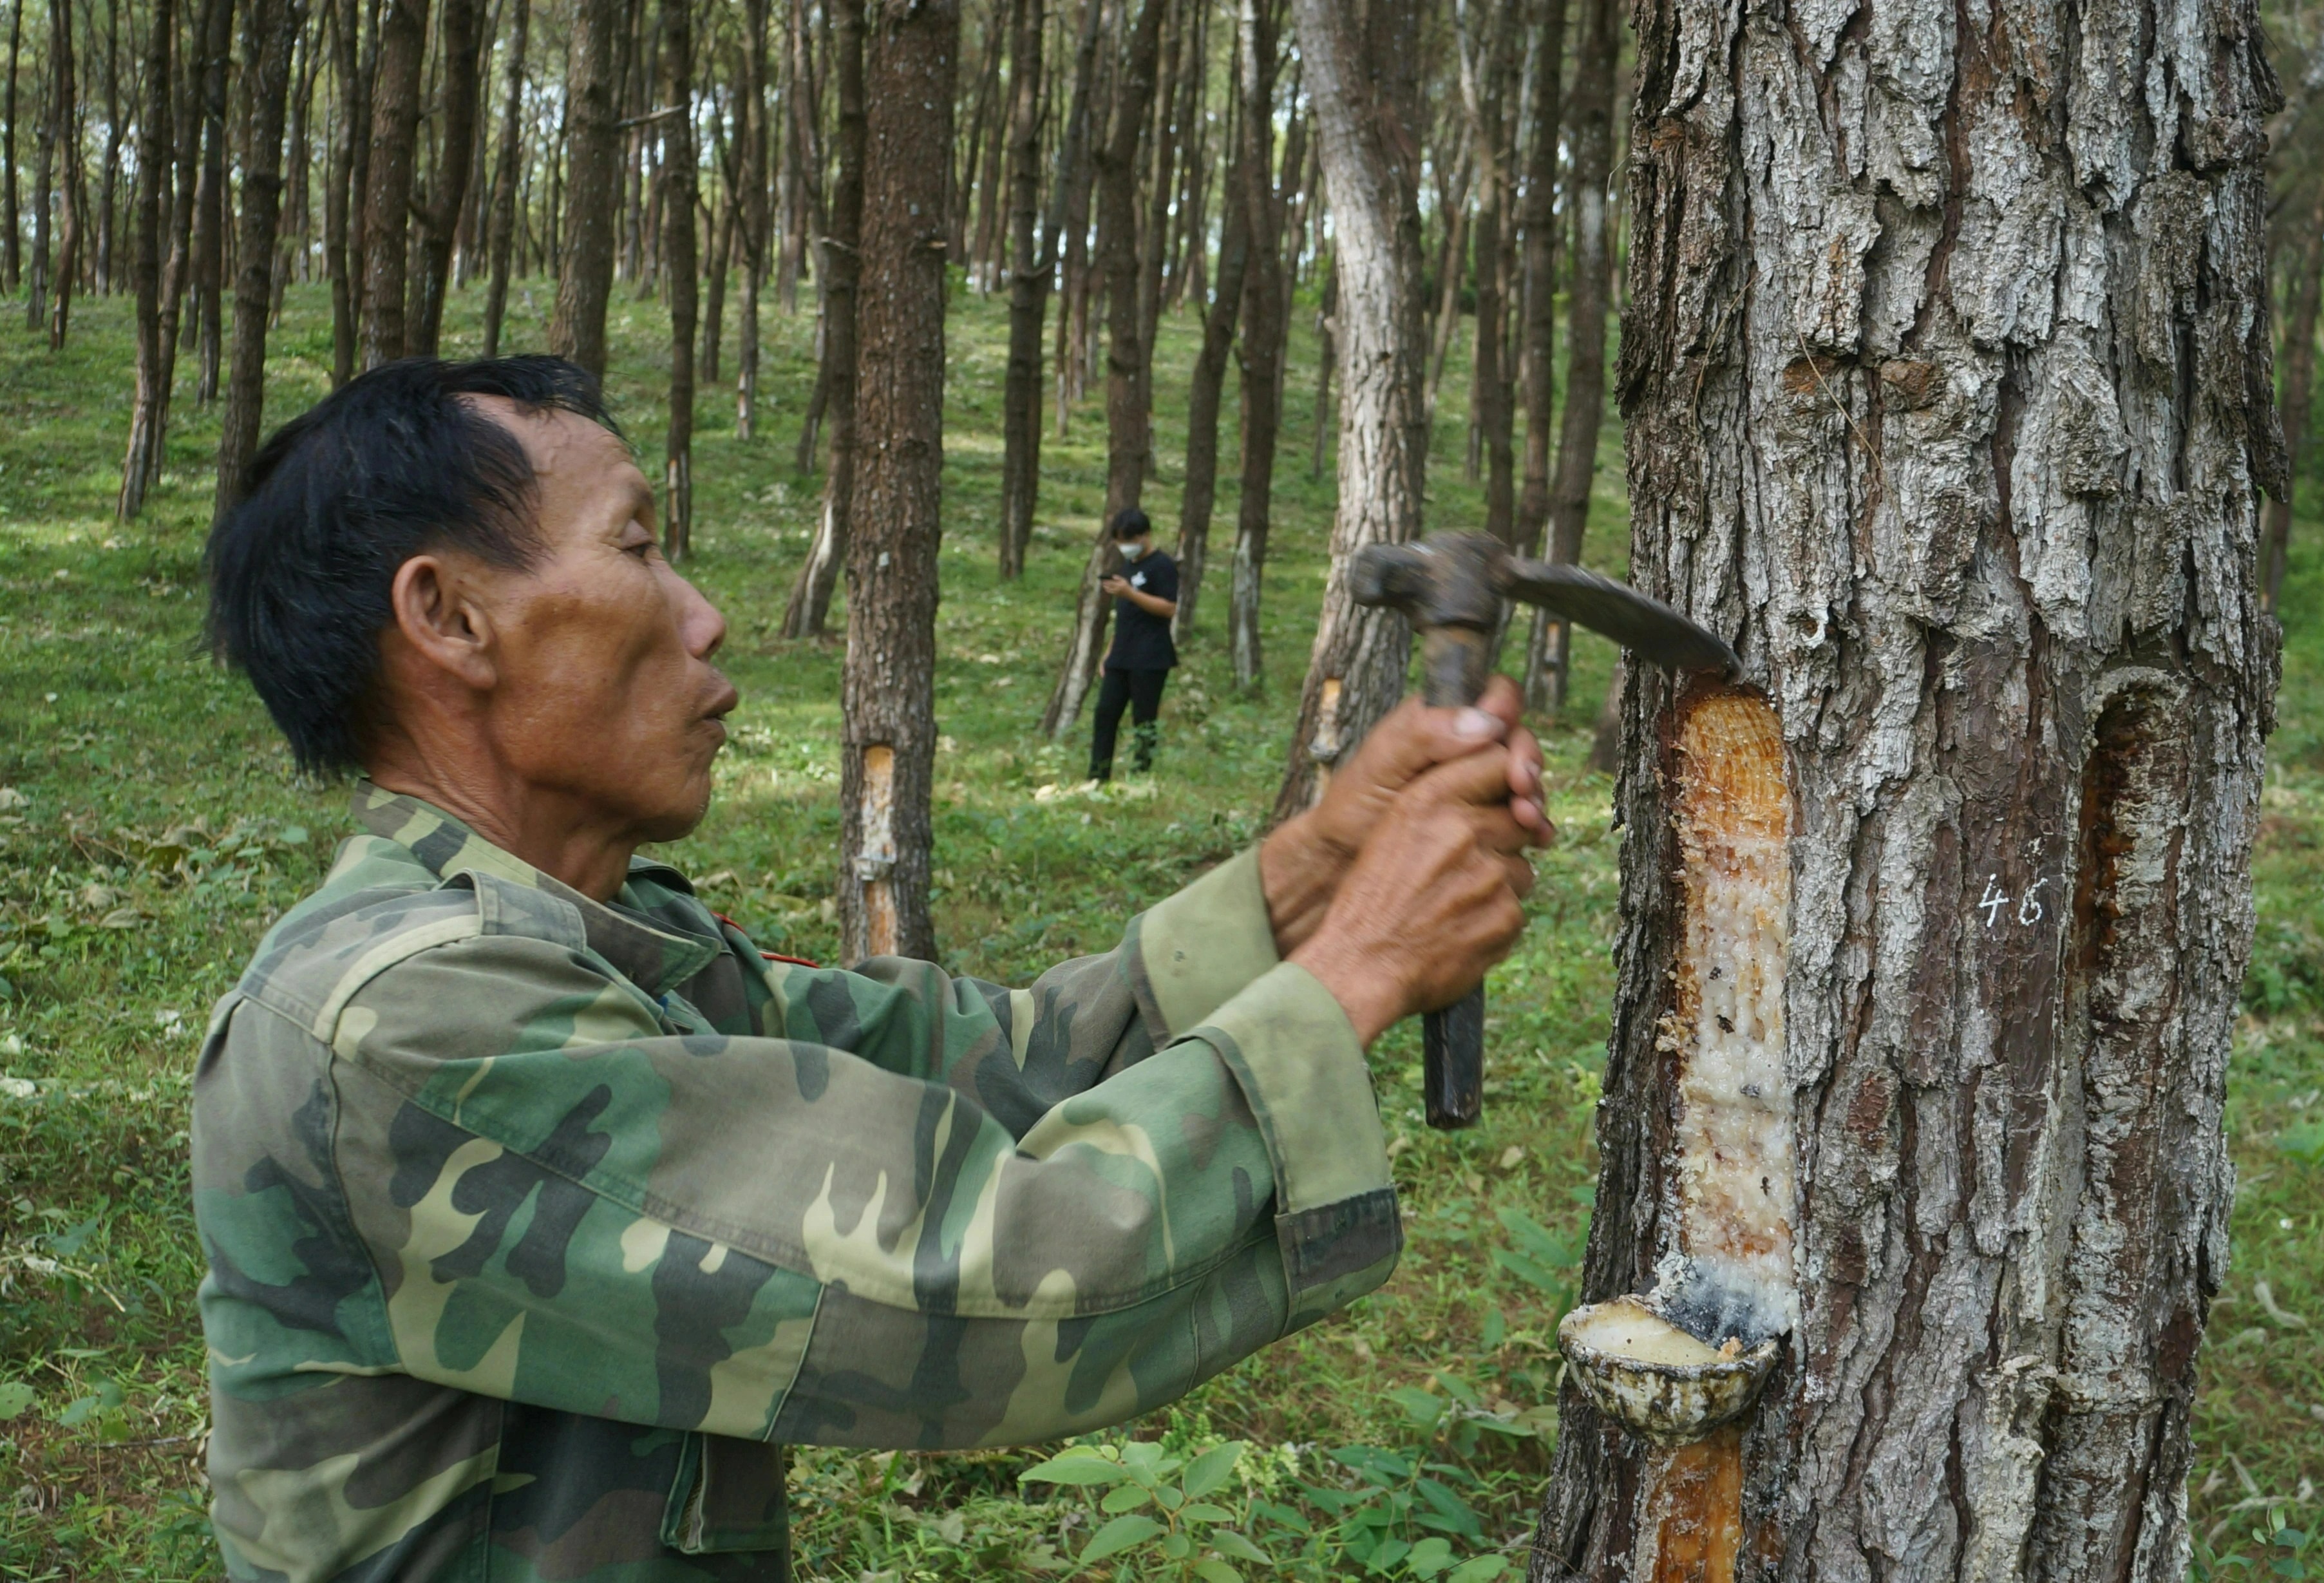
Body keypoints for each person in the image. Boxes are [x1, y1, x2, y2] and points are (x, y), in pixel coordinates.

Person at [193, 357, 1550, 1581]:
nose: (707, 617)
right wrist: (1362, 964)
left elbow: (999, 1062)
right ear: (449, 617)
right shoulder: (404, 1020)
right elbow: (968, 1285)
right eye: (640, 548)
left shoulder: (577, 941)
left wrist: (1316, 868)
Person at [1089, 507, 1177, 781]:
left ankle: (1141, 775)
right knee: (1105, 714)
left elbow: (1168, 608)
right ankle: (1098, 775)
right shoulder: (1128, 567)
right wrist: (1109, 650)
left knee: (1144, 719)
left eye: (1129, 540)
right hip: (1121, 654)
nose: (1124, 547)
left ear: (1145, 535)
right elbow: (1126, 616)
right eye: (1119, 541)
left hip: (1151, 656)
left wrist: (1131, 593)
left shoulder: (1162, 566)